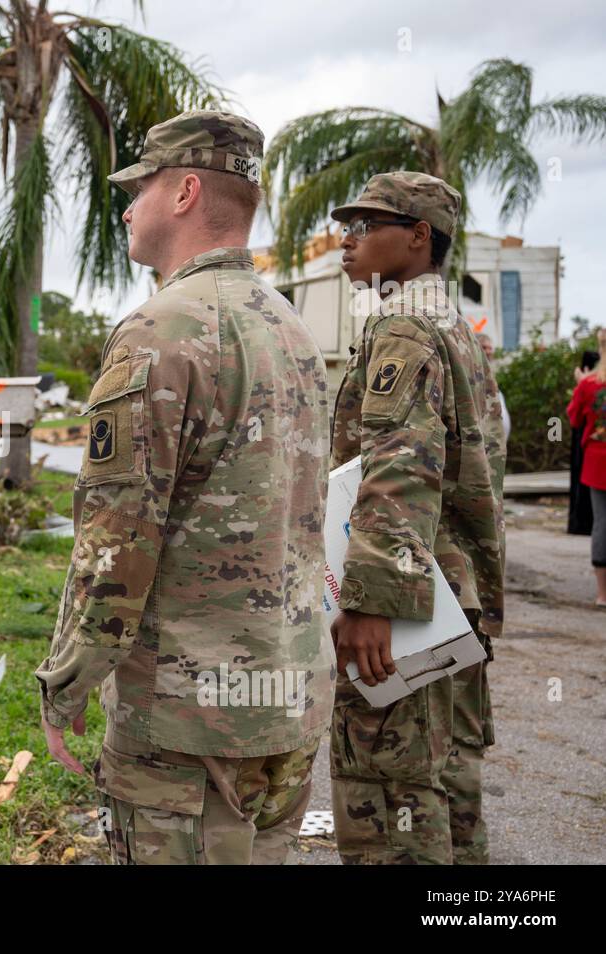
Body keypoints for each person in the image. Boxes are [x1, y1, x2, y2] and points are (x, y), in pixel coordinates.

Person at [35, 110, 333, 865]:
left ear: (186, 192)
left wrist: (66, 686)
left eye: (140, 188)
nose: (127, 207)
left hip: (189, 724)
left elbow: (117, 543)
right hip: (287, 703)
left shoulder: (159, 331)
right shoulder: (291, 327)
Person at [327, 171, 506, 864]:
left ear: (419, 237)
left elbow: (402, 467)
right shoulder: (454, 328)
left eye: (367, 225)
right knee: (448, 785)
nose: (349, 239)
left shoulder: (404, 326)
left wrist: (373, 602)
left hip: (409, 606)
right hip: (451, 597)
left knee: (391, 796)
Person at [566, 327, 606, 607]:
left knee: (602, 523)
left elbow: (574, 419)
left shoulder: (590, 384)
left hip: (597, 460)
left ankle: (603, 593)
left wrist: (581, 382)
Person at [475, 334, 510, 441]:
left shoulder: (489, 374)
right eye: (484, 347)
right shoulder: (472, 374)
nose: (489, 351)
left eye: (490, 348)